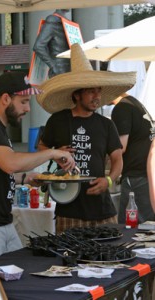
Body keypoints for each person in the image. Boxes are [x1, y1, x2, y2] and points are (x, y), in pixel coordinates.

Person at [0, 71, 75, 260]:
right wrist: (52, 152)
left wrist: (26, 178)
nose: (28, 109)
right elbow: (10, 163)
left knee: (18, 277)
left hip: (0, 222)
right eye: (24, 101)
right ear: (5, 99)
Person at [36, 43, 136, 234]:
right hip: (68, 208)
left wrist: (108, 180)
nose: (96, 96)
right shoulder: (58, 120)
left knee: (108, 259)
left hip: (103, 210)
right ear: (77, 94)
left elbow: (117, 158)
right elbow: (41, 148)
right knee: (68, 260)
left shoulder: (106, 124)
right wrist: (56, 155)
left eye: (98, 90)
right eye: (91, 91)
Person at [111, 93, 155, 224]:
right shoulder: (136, 105)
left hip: (136, 178)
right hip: (146, 175)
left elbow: (121, 146)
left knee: (131, 228)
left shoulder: (121, 108)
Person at [33, 9, 71, 78]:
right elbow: (38, 46)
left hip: (68, 71)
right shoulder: (53, 21)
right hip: (60, 71)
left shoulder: (65, 22)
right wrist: (53, 65)